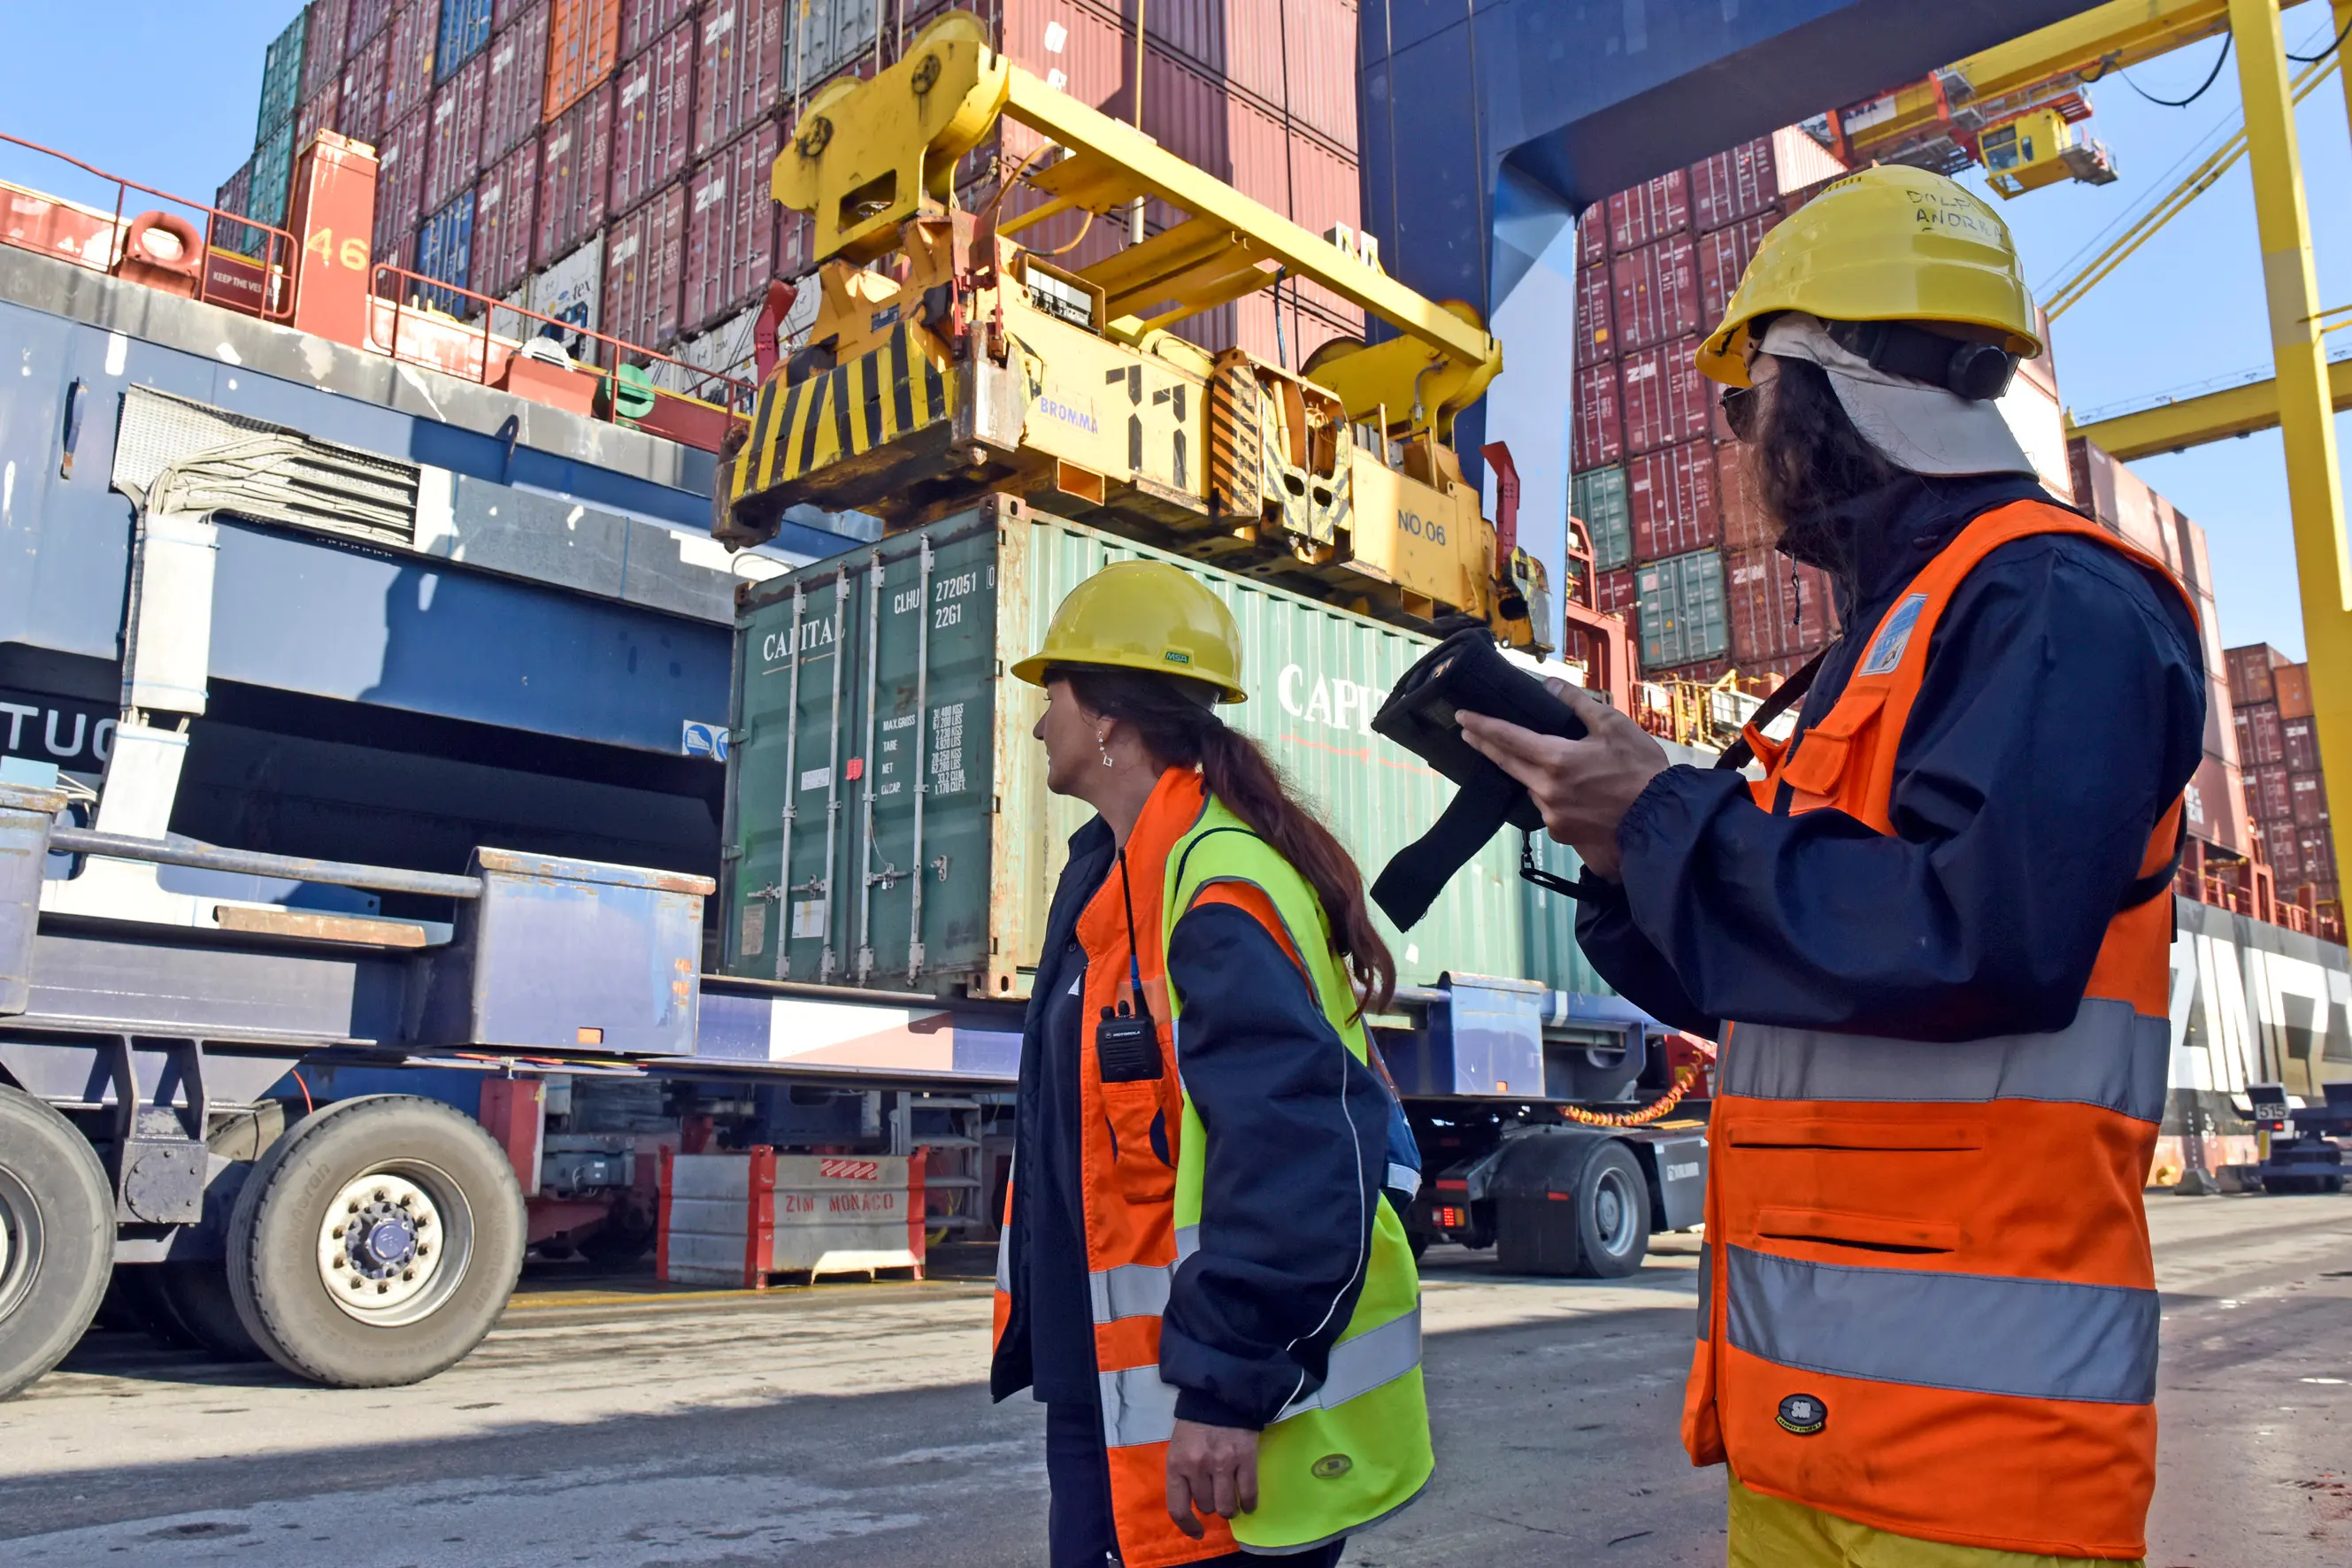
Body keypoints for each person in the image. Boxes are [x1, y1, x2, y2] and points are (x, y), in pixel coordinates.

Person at [1457, 165, 2204, 1566]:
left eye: (1740, 409)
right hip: (1808, 1436)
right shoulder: (1887, 636)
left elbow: (1973, 940)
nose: (1736, 448)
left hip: (1979, 1468)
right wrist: (1626, 847)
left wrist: (1674, 819)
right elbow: (1801, 979)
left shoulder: (2056, 604)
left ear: (1821, 390)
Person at [988, 559, 1433, 1568]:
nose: (1035, 721)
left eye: (1049, 693)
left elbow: (1294, 1148)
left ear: (1109, 713)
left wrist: (1227, 1383)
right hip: (1106, 1380)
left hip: (1208, 1411)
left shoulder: (1215, 884)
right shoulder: (1107, 880)